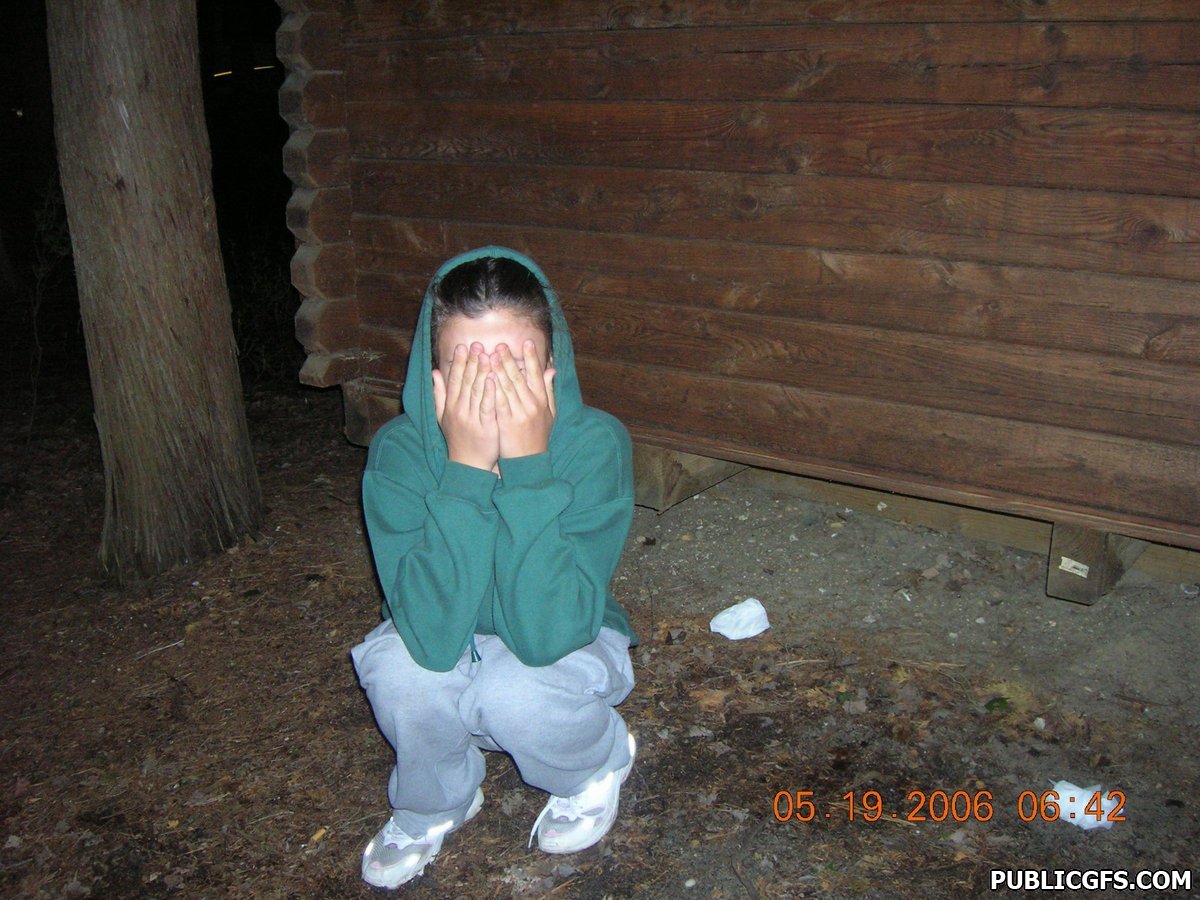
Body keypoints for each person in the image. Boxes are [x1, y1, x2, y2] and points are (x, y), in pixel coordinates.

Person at [350, 247, 638, 890]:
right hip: (441, 625)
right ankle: (436, 800)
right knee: (398, 672)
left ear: (550, 372)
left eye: (513, 366)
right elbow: (428, 638)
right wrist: (466, 471)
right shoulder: (400, 453)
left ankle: (593, 762)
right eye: (465, 367)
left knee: (515, 692)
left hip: (567, 631)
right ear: (435, 379)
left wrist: (529, 468)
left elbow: (549, 634)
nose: (490, 387)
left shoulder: (593, 444)